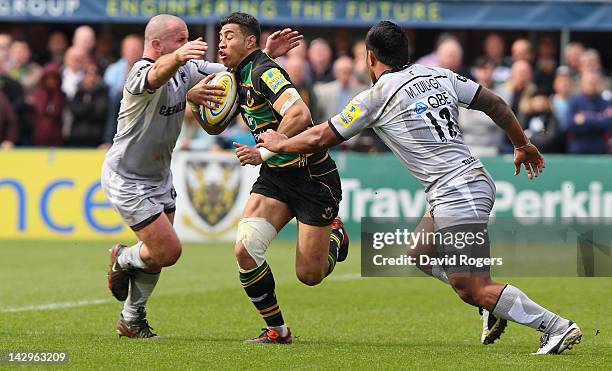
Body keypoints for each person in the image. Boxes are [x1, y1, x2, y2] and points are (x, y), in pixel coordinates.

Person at [258, 21, 582, 355]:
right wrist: (522, 143)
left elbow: (321, 136)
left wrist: (280, 143)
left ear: (370, 58)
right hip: (463, 183)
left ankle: (555, 327)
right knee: (420, 253)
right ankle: (491, 305)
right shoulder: (439, 75)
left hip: (458, 190)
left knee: (471, 284)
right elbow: (495, 103)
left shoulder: (375, 96)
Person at [102, 13, 302, 339]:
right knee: (168, 251)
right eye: (180, 40)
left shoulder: (187, 69)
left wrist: (264, 55)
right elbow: (153, 77)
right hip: (127, 176)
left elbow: (237, 75)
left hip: (159, 175)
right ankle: (122, 258)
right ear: (157, 44)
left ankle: (131, 318)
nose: (189, 46)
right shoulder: (138, 72)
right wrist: (179, 59)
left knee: (155, 253)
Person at [187, 12, 349, 344]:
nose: (221, 42)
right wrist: (193, 100)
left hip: (312, 177)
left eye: (229, 36)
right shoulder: (237, 75)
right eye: (220, 36)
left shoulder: (264, 71)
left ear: (249, 41)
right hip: (276, 178)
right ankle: (278, 329)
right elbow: (215, 125)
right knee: (245, 250)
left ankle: (335, 235)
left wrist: (263, 152)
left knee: (309, 275)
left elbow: (300, 114)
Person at [566, 70, 612, 154]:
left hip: (600, 150)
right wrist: (599, 117)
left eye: (595, 82)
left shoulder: (606, 102)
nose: (592, 85)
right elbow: (569, 124)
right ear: (582, 83)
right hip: (577, 150)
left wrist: (585, 118)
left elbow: (608, 124)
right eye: (589, 82)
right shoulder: (573, 101)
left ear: (600, 83)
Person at [67, 63, 109, 147]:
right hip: (77, 136)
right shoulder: (78, 92)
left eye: (95, 74)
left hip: (96, 137)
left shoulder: (103, 92)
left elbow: (100, 112)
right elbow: (75, 110)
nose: (91, 78)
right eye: (89, 74)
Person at [30, 63, 66, 146]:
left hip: (57, 135)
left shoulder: (61, 95)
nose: (51, 81)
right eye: (49, 78)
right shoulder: (37, 94)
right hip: (38, 134)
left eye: (54, 78)